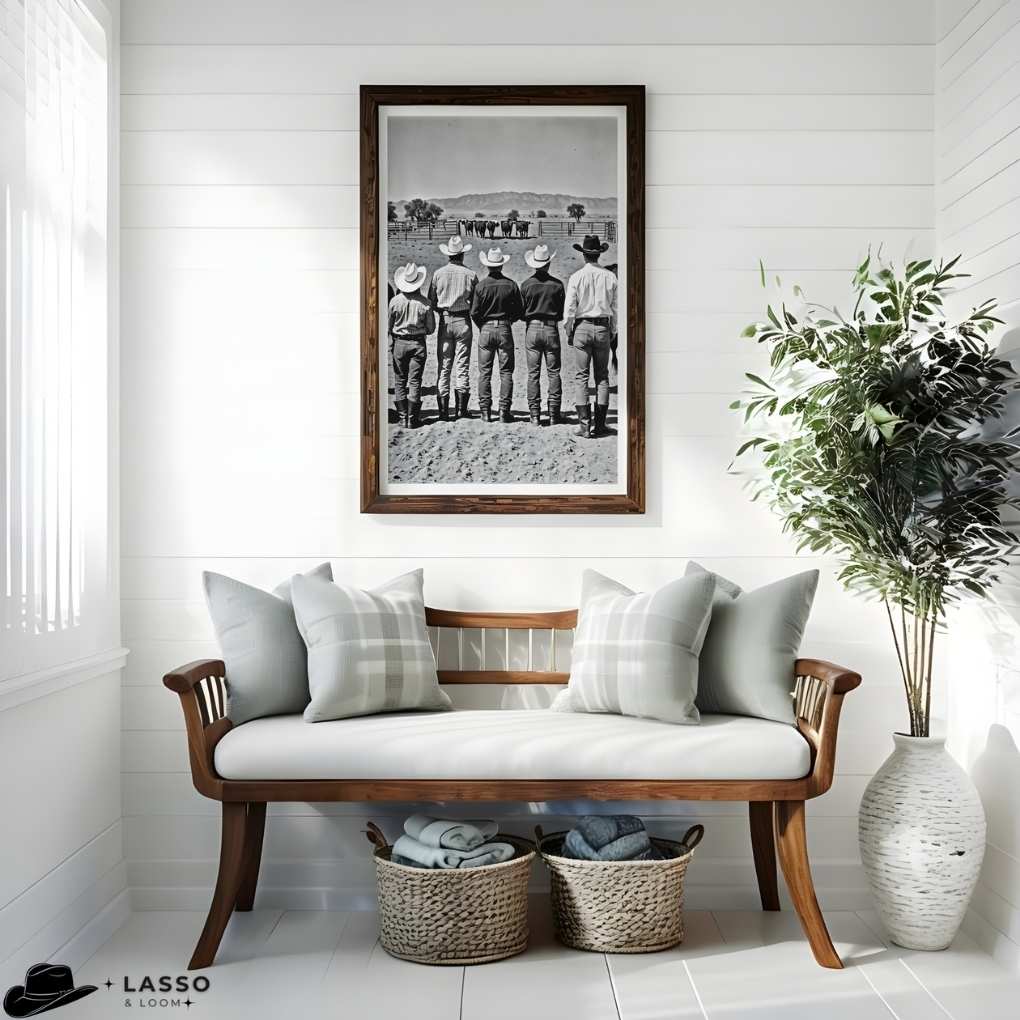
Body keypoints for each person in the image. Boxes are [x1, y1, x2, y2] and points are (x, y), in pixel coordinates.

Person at [564, 235, 618, 438]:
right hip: (603, 327)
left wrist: (569, 330)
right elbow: (615, 307)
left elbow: (569, 309)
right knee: (602, 377)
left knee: (581, 377)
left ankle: (584, 426)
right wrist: (612, 330)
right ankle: (601, 424)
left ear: (584, 255)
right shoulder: (610, 277)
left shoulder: (576, 277)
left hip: (582, 327)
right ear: (598, 255)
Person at [470, 247, 523, 423]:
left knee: (484, 372)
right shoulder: (511, 284)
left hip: (485, 329)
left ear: (487, 266)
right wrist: (508, 322)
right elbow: (519, 311)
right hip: (504, 329)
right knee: (506, 372)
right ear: (501, 265)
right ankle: (504, 411)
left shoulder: (480, 286)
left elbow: (474, 312)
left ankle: (485, 411)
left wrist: (482, 326)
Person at [427, 235, 477, 421]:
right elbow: (476, 302)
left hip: (445, 320)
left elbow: (432, 300)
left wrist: (442, 312)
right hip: (463, 321)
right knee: (462, 365)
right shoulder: (471, 275)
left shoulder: (438, 274)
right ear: (462, 255)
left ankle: (443, 411)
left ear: (448, 255)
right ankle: (461, 410)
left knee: (444, 365)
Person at [519, 244, 564, 426]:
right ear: (548, 263)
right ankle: (554, 413)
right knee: (554, 372)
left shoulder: (526, 285)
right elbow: (561, 313)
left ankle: (535, 414)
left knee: (533, 373)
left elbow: (522, 312)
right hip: (551, 328)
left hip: (532, 328)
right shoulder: (558, 285)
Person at [388, 262, 435, 429]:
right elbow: (431, 329)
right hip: (417, 343)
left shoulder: (394, 301)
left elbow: (389, 325)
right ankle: (413, 418)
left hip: (399, 342)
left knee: (400, 379)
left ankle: (402, 417)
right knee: (415, 380)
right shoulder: (426, 303)